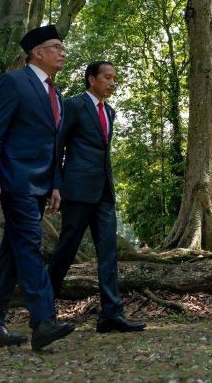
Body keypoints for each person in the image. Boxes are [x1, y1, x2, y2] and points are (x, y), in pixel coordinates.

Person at [0, 25, 76, 351]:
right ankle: (43, 321)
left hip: (42, 185)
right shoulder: (14, 82)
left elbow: (55, 145)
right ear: (37, 53)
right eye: (55, 47)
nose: (62, 52)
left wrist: (56, 185)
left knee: (13, 255)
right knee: (29, 244)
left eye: (62, 47)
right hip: (15, 181)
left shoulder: (55, 94)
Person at [48, 61, 145, 333]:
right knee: (66, 251)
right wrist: (55, 184)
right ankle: (43, 310)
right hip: (76, 191)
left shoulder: (110, 111)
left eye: (115, 78)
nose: (112, 82)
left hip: (104, 193)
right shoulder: (74, 105)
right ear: (92, 79)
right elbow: (57, 147)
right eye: (107, 77)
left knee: (108, 253)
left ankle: (111, 315)